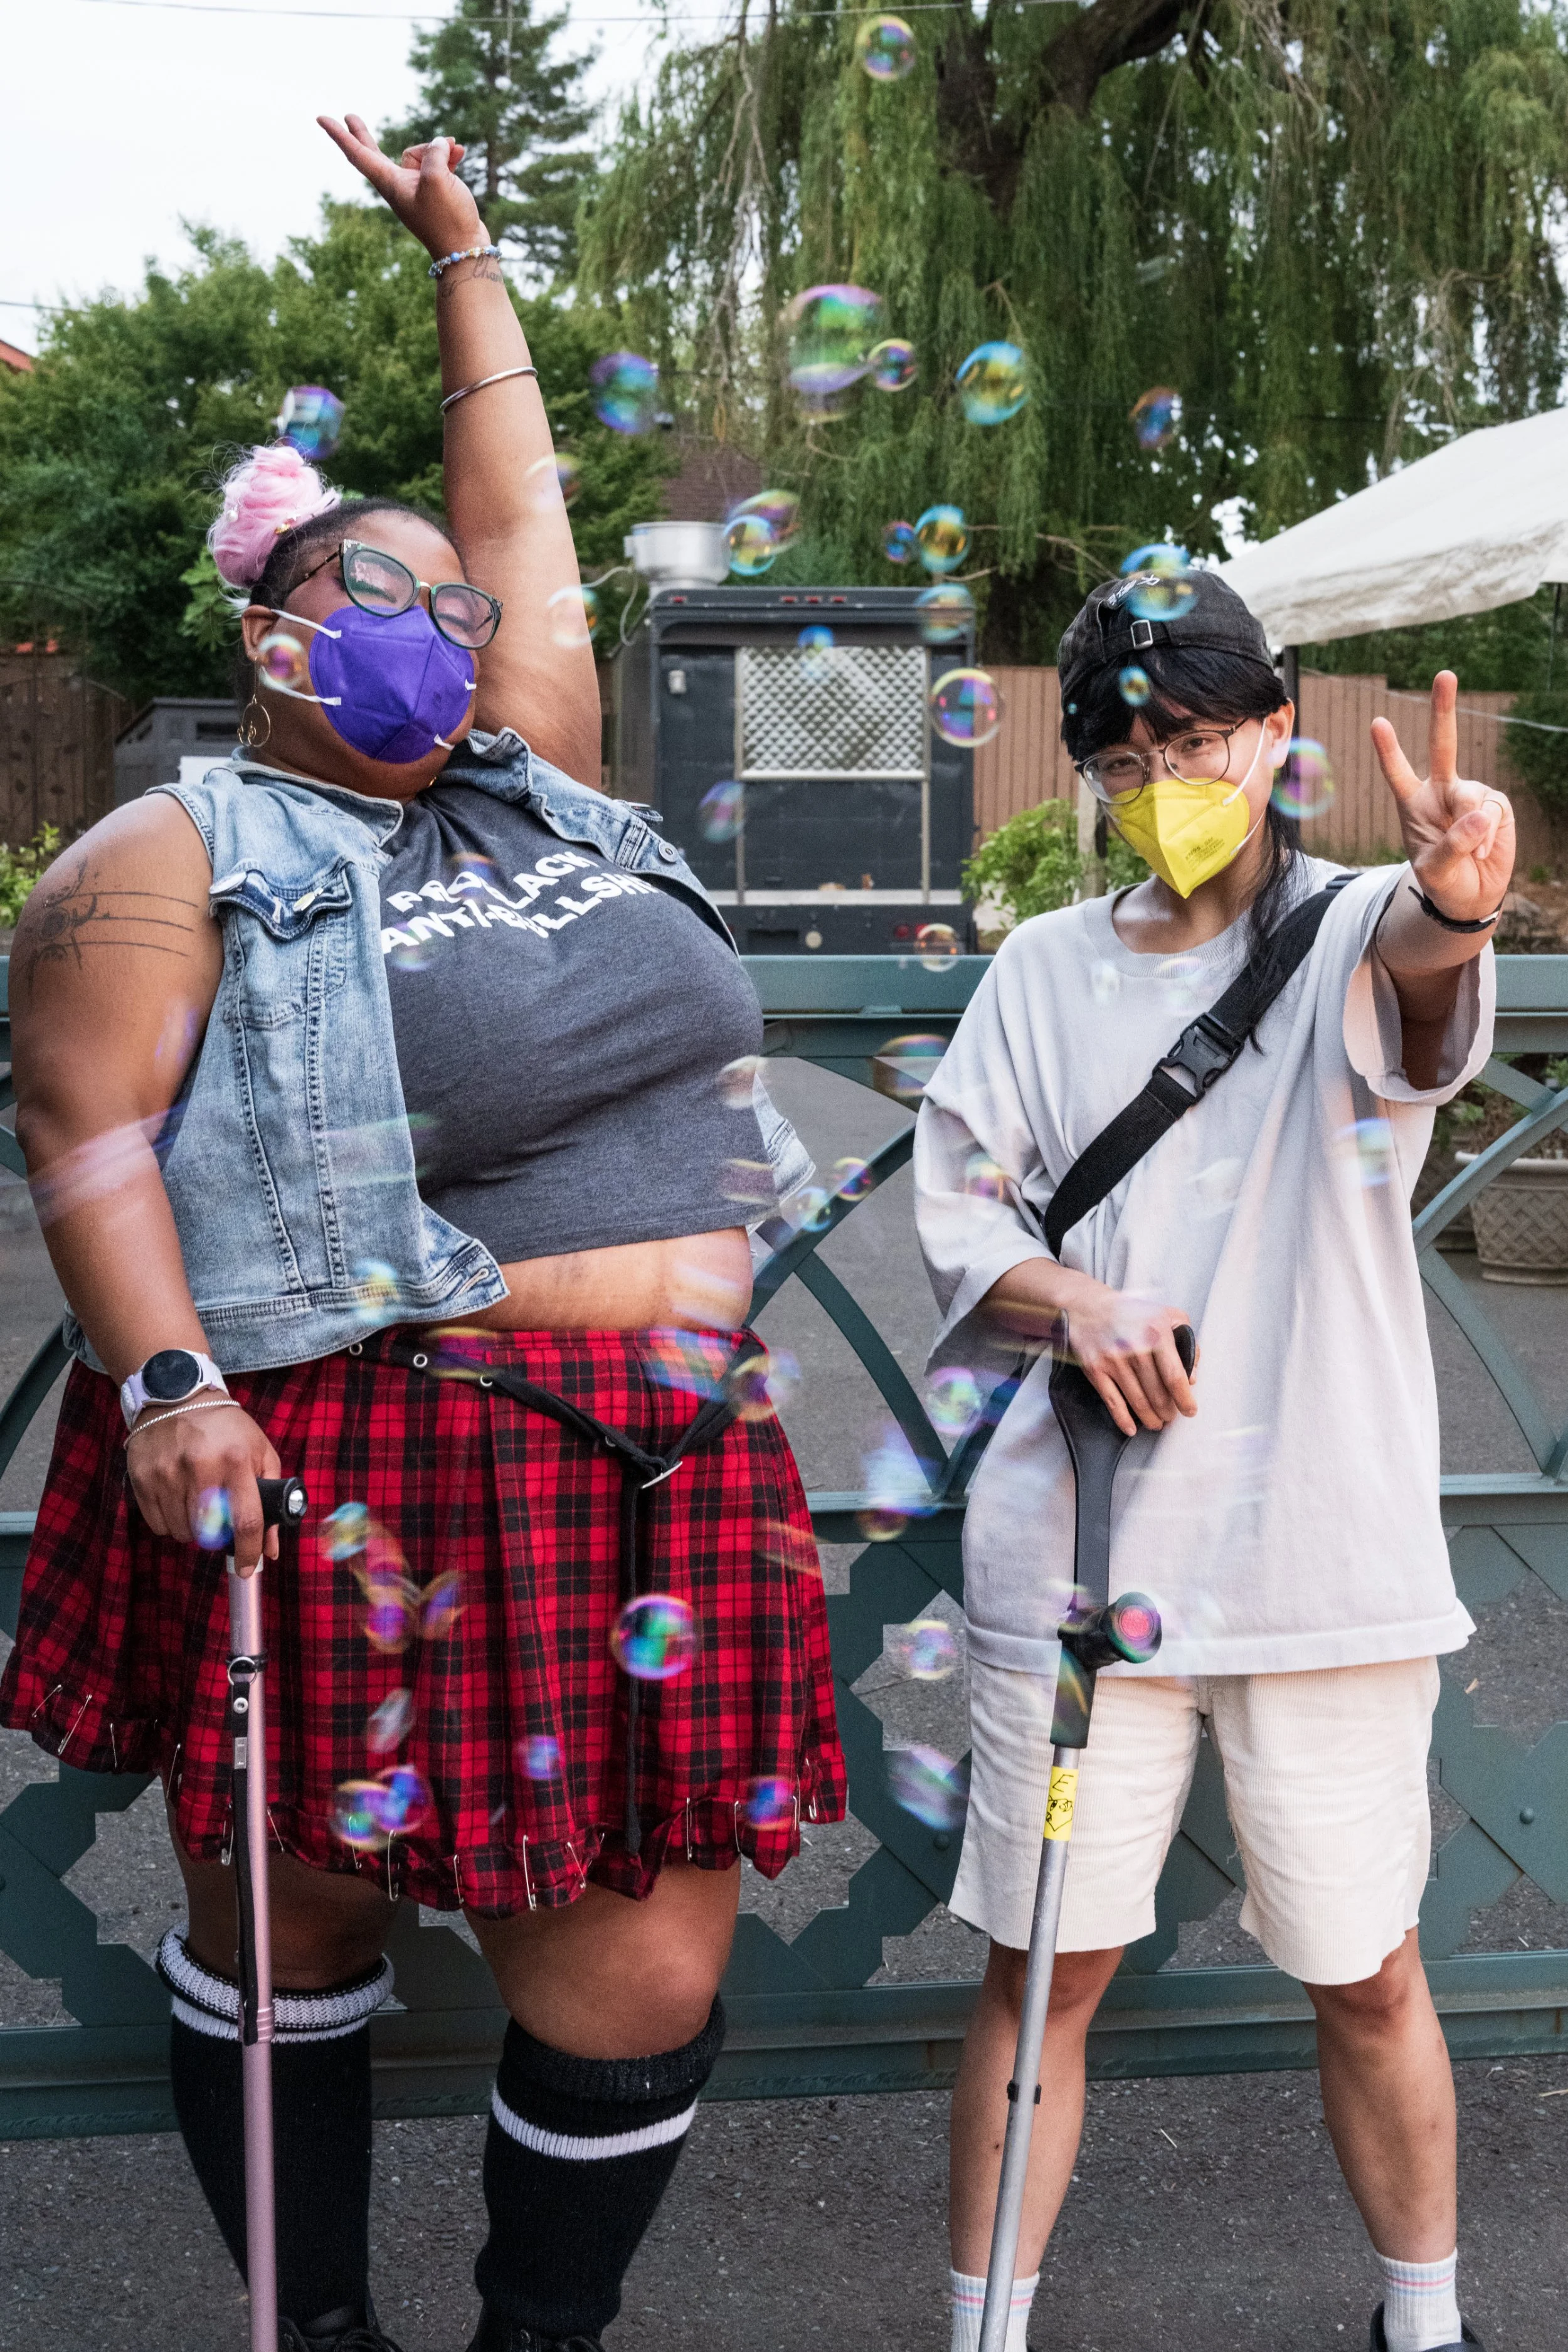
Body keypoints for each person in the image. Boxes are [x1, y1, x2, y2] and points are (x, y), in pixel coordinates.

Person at [0, 116, 844, 2352]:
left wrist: (468, 254)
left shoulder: (538, 771)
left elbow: (527, 525)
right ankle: (329, 2334)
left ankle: (534, 2340)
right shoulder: (174, 842)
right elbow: (83, 1126)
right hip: (367, 1444)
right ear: (273, 634)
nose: (440, 630)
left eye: (451, 611)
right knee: (302, 1920)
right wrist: (170, 1379)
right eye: (378, 603)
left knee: (647, 1964)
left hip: (657, 1454)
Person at [915, 569, 1509, 2352]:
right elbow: (961, 1207)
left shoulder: (1348, 928)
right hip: (1084, 1557)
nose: (1160, 777)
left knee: (1369, 1969)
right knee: (1042, 1973)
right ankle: (984, 2331)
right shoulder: (1037, 970)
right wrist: (1065, 1300)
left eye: (1190, 737)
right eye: (1118, 754)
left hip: (1319, 1553)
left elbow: (1414, 983)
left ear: (1272, 736)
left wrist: (1458, 907)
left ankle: (1427, 2318)